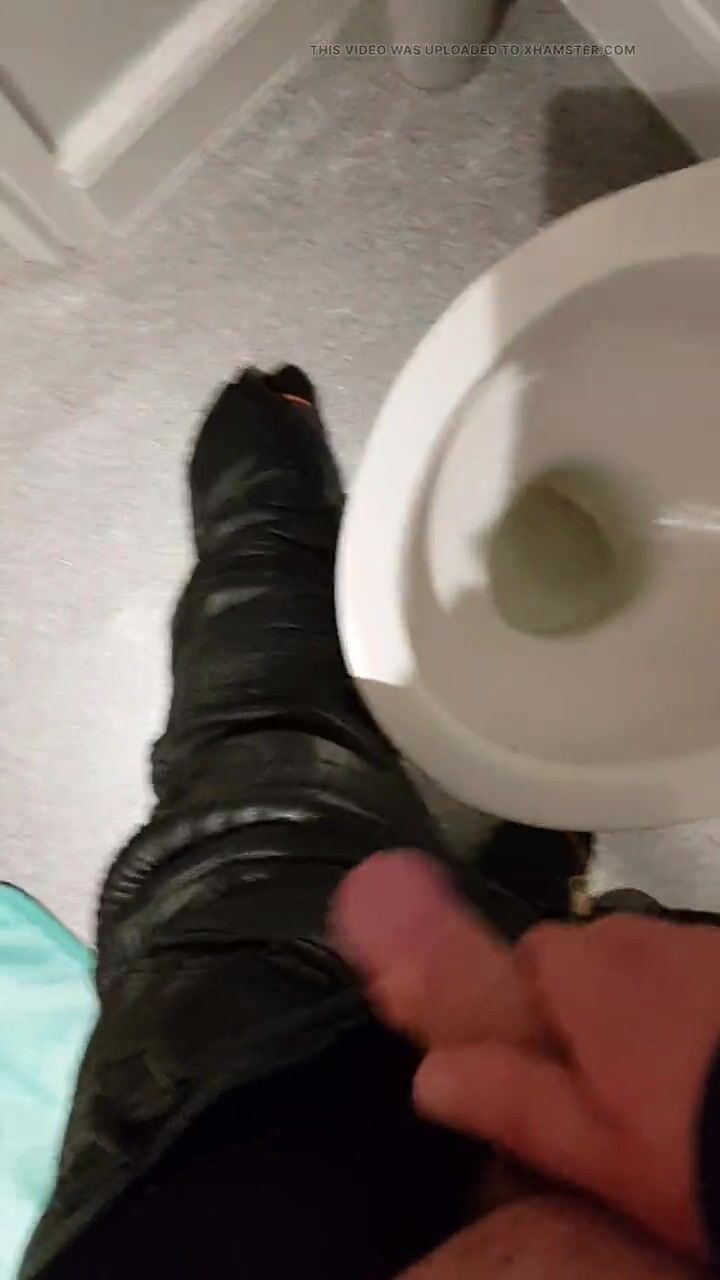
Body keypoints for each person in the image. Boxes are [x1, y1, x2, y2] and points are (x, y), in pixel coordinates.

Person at [19, 367, 720, 1279]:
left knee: (267, 773)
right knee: (541, 929)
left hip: (239, 1125)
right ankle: (538, 870)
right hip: (597, 1095)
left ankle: (269, 521)